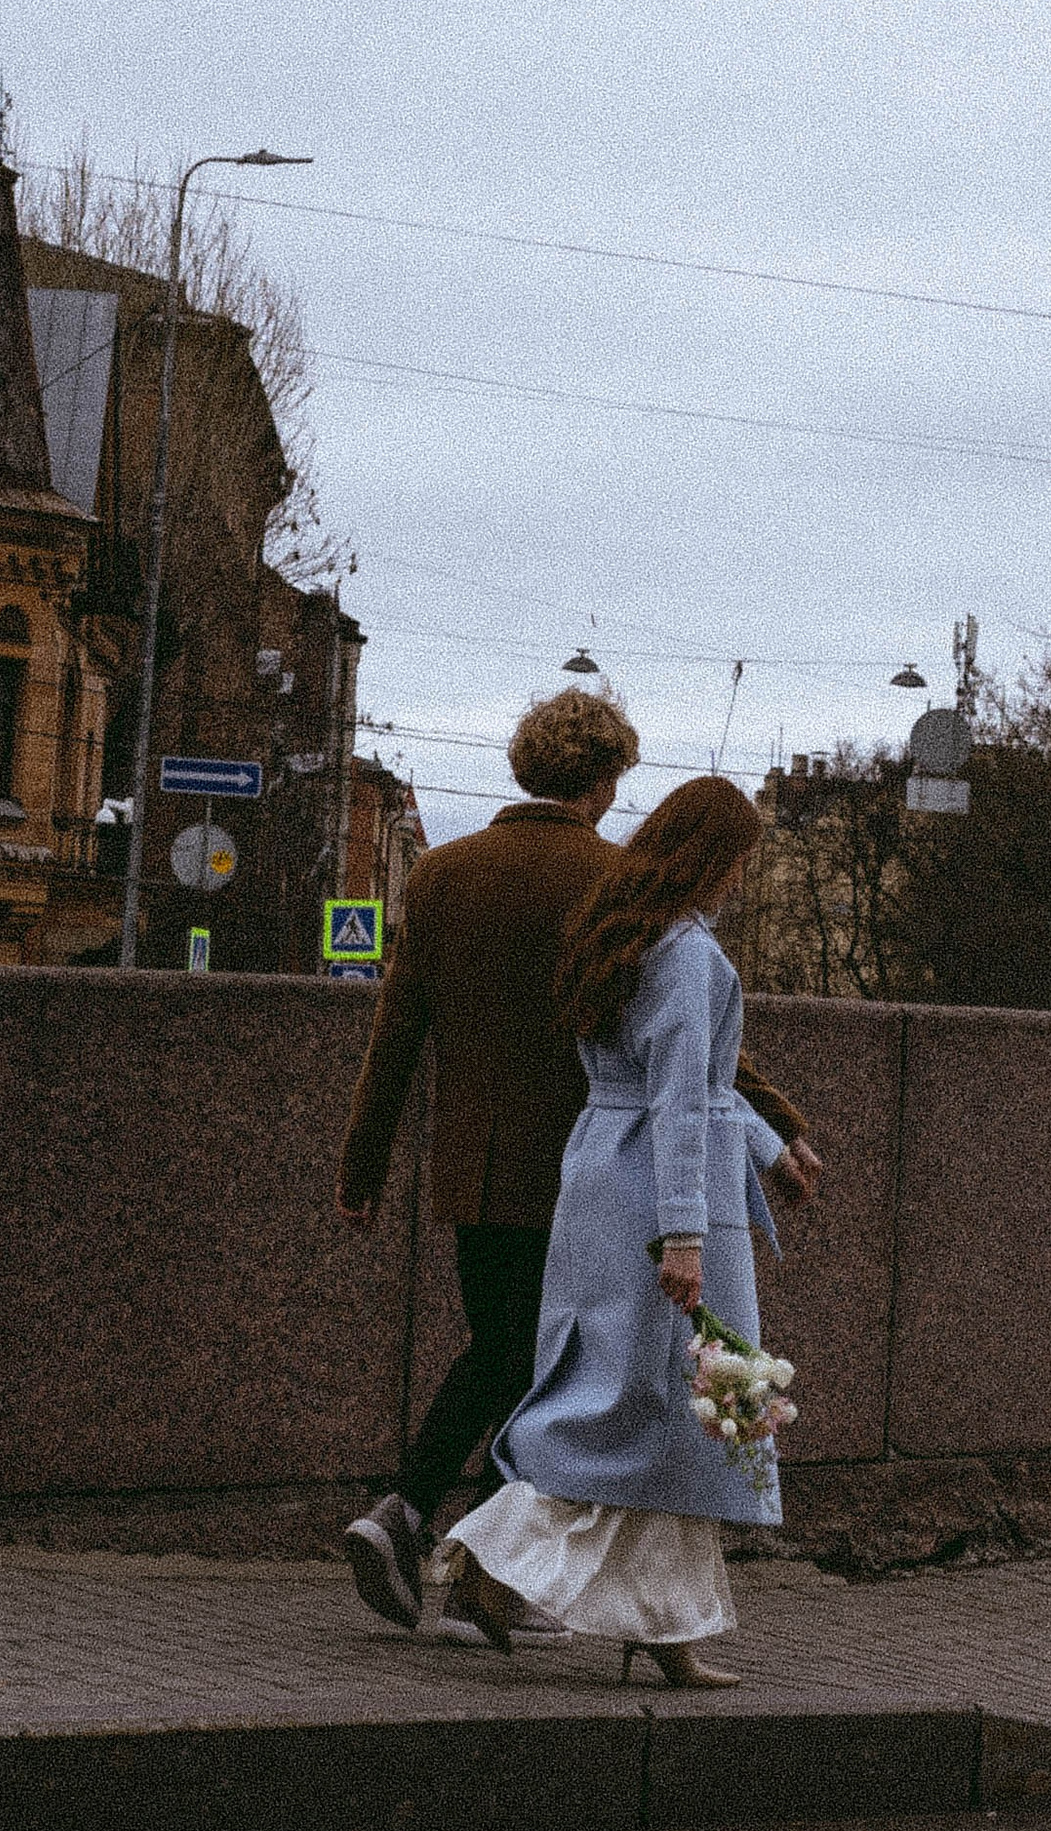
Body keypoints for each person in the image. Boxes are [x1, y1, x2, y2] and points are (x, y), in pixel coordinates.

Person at [334, 695, 815, 1632]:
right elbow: (694, 1060)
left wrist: (362, 1171)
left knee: (513, 1357)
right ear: (605, 779)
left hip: (480, 1169)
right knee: (575, 1381)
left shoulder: (442, 874)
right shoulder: (618, 884)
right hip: (607, 1176)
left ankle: (446, 1546)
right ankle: (471, 1553)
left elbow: (396, 1037)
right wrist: (776, 1122)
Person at [435, 774, 790, 1683]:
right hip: (671, 1197)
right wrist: (684, 1235)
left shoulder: (627, 941)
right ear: (713, 857)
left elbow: (680, 1087)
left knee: (649, 1403)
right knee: (676, 1407)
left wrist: (764, 1139)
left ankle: (668, 1629)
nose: (742, 879)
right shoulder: (688, 956)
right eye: (740, 861)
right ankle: (492, 1558)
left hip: (605, 1172)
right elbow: (680, 1096)